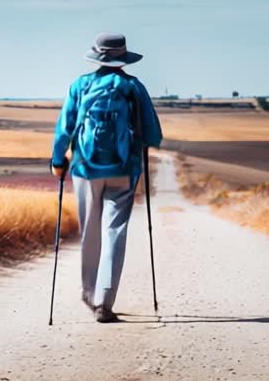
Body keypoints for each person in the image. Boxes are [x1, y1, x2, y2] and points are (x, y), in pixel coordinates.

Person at [50, 32, 162, 322]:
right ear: (124, 58)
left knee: (90, 231)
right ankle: (104, 300)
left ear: (96, 56)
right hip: (124, 170)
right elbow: (153, 134)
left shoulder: (80, 85)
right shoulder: (133, 87)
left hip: (85, 169)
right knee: (115, 232)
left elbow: (64, 129)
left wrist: (57, 161)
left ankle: (89, 293)